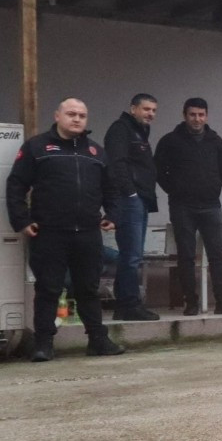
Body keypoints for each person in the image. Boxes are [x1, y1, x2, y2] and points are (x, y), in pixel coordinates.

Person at [6, 98, 124, 361]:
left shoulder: (96, 152)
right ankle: (44, 345)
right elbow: (16, 185)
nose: (77, 119)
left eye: (82, 115)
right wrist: (22, 221)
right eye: (71, 114)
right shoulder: (37, 147)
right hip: (49, 232)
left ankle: (98, 341)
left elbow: (112, 189)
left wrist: (113, 214)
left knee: (88, 289)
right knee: (49, 288)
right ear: (57, 115)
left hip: (87, 233)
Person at [154, 98, 222, 316]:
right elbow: (158, 171)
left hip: (211, 205)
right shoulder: (170, 141)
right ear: (185, 115)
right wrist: (176, 190)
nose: (197, 119)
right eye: (193, 114)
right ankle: (190, 302)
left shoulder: (216, 141)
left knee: (217, 254)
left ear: (206, 116)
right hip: (182, 206)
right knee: (186, 255)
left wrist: (211, 188)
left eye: (201, 114)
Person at [104, 93, 161, 321]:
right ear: (133, 109)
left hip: (141, 199)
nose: (151, 114)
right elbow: (116, 164)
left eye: (154, 110)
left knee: (133, 255)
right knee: (131, 255)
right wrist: (131, 192)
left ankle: (128, 304)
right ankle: (128, 304)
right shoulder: (121, 129)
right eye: (146, 109)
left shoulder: (139, 131)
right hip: (130, 200)